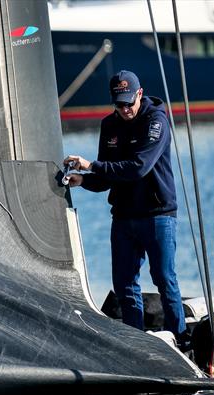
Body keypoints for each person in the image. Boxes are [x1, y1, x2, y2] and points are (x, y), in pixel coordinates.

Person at [63, 70, 186, 341]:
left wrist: (91, 165)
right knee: (124, 284)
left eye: (129, 102)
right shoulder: (109, 126)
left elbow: (138, 168)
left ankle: (181, 339)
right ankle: (136, 342)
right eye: (119, 104)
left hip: (158, 215)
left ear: (140, 95)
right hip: (123, 216)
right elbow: (109, 176)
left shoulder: (157, 121)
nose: (125, 109)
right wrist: (82, 180)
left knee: (165, 279)